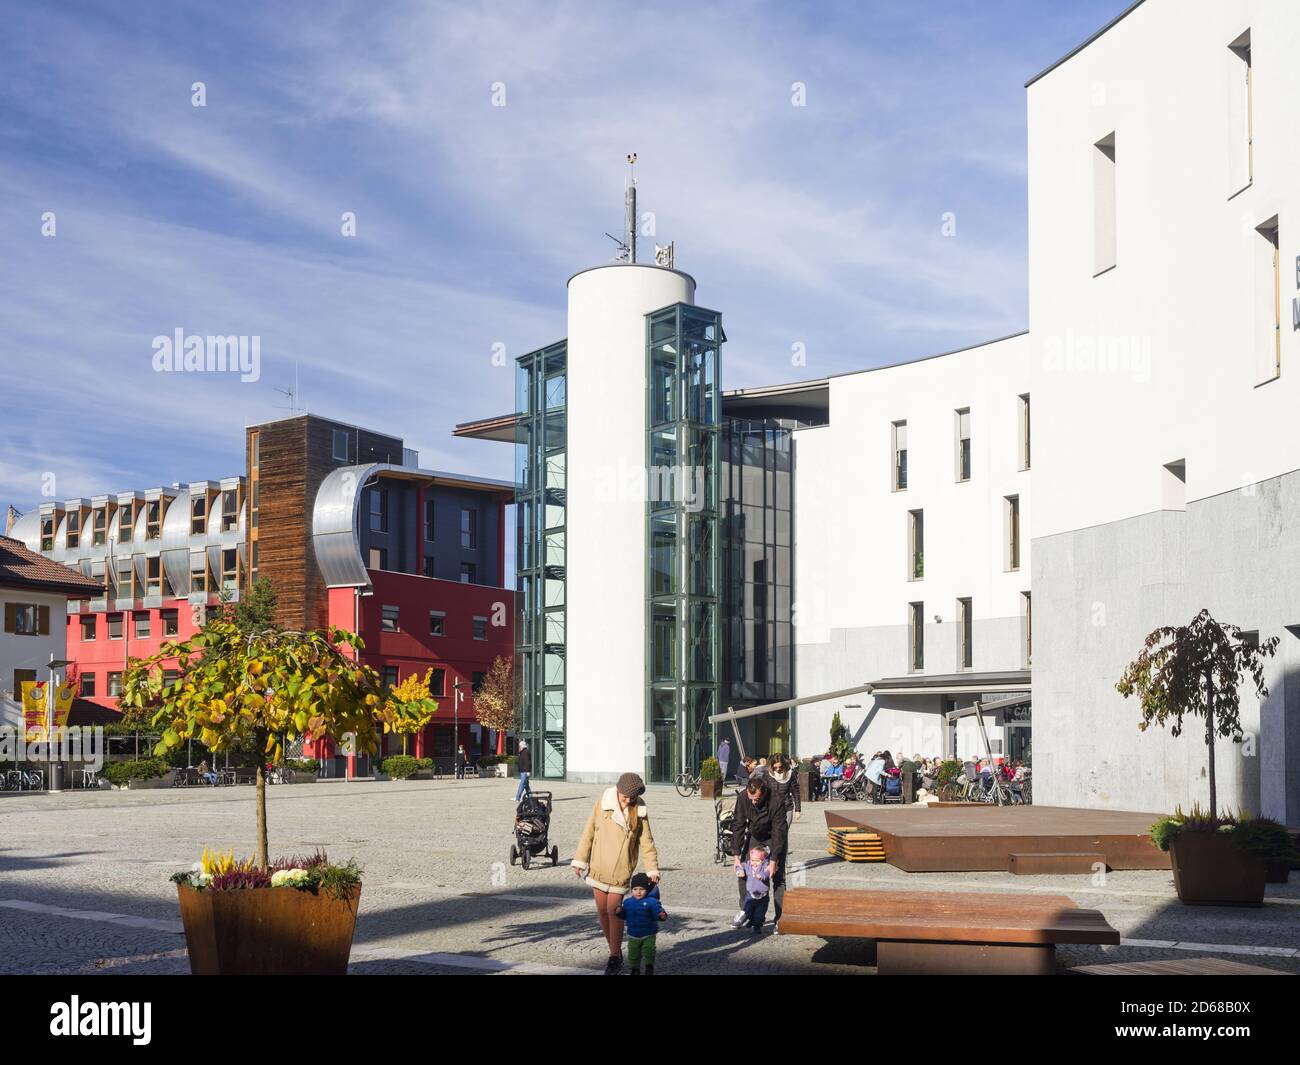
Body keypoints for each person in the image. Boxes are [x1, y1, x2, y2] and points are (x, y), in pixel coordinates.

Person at [573, 772, 661, 975]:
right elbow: (589, 831)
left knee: (614, 911)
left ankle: (614, 956)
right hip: (598, 866)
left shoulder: (639, 809)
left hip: (621, 870)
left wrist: (652, 868)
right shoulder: (603, 802)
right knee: (602, 912)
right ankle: (615, 951)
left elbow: (646, 841)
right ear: (618, 790)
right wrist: (580, 860)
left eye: (632, 798)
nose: (628, 801)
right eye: (624, 797)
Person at [729, 774, 788, 931]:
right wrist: (736, 857)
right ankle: (747, 911)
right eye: (751, 798)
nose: (753, 802)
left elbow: (779, 832)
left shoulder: (776, 800)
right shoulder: (743, 798)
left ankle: (780, 918)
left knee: (778, 877)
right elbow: (738, 826)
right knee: (744, 871)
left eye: (756, 799)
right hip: (755, 835)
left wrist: (774, 861)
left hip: (774, 835)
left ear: (764, 793)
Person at [614, 872, 667, 975]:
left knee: (649, 951)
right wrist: (619, 912)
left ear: (646, 890)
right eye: (635, 889)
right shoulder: (627, 902)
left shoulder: (652, 902)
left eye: (641, 889)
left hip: (649, 933)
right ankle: (635, 969)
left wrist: (662, 916)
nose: (638, 892)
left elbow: (659, 913)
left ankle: (649, 967)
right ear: (631, 890)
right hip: (633, 934)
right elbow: (625, 916)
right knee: (633, 953)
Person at [738, 845, 771, 932]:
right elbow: (741, 865)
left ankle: (757, 926)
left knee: (760, 913)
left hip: (762, 896)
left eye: (757, 861)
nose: (754, 863)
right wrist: (740, 870)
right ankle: (748, 919)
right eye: (752, 860)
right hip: (750, 893)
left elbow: (768, 872)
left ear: (763, 860)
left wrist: (762, 876)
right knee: (747, 909)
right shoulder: (748, 865)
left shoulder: (765, 865)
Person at [768, 754, 801, 824]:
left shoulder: (790, 775)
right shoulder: (767, 775)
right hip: (771, 809)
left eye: (780, 767)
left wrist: (797, 810)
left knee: (783, 832)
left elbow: (796, 792)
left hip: (786, 808)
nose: (778, 769)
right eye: (775, 767)